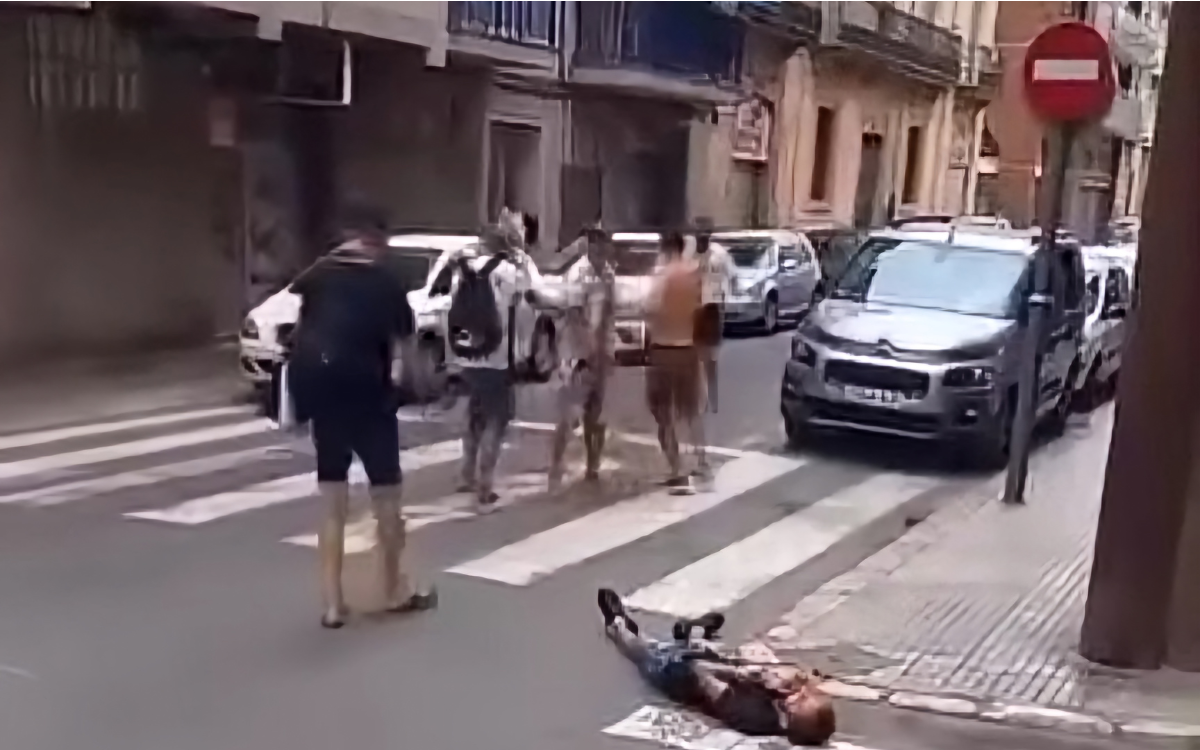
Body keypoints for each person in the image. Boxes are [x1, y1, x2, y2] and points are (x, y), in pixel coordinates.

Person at [286, 201, 436, 629]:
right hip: (370, 399)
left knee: (333, 503)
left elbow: (301, 329)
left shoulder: (316, 275)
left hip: (326, 398)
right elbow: (406, 352)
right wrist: (414, 389)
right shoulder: (386, 280)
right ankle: (393, 589)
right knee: (386, 500)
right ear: (379, 238)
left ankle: (333, 605)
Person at [597, 589, 836, 747]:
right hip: (716, 667)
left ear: (794, 718)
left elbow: (699, 671)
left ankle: (617, 626)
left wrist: (739, 673)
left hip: (680, 677)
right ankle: (689, 636)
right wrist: (766, 673)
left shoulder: (753, 715)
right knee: (706, 650)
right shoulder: (781, 704)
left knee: (643, 650)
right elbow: (754, 655)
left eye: (803, 700)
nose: (802, 693)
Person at [437, 219, 537, 513]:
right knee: (497, 419)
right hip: (497, 357)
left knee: (474, 415)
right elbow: (530, 293)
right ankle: (485, 482)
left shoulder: (463, 272)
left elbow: (452, 310)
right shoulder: (508, 272)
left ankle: (466, 473)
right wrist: (522, 257)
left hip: (468, 354)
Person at [549, 225, 616, 491]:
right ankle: (555, 466)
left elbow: (609, 314)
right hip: (578, 357)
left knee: (595, 416)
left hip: (600, 356)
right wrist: (589, 349)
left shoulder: (608, 274)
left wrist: (608, 351)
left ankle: (593, 465)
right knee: (569, 415)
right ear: (589, 245)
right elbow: (575, 316)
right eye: (596, 243)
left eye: (604, 243)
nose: (601, 248)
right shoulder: (579, 274)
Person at [645, 231, 705, 494]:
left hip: (664, 349)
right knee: (689, 411)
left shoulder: (663, 275)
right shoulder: (695, 277)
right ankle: (701, 463)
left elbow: (650, 307)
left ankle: (677, 470)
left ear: (666, 249)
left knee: (663, 413)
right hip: (689, 349)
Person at [686, 219, 737, 416]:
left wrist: (726, 300)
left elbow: (733, 276)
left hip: (713, 310)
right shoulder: (690, 257)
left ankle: (713, 399)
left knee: (711, 360)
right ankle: (700, 399)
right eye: (698, 234)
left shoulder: (719, 255)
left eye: (705, 235)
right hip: (695, 310)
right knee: (696, 358)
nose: (701, 239)